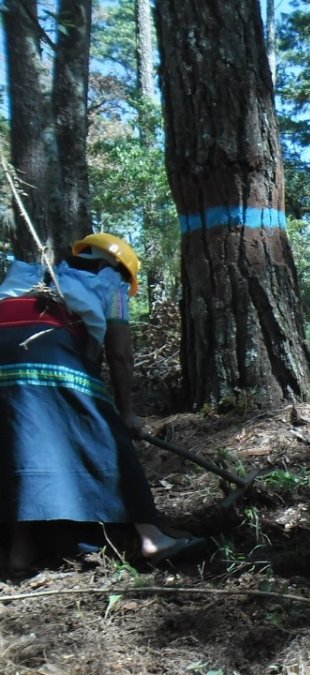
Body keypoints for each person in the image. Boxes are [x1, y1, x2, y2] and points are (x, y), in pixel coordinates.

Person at [1, 233, 205, 574]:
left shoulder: (29, 275)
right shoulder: (112, 287)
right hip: (49, 357)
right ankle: (152, 536)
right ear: (117, 267)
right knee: (110, 439)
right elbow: (120, 355)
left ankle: (20, 549)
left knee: (11, 446)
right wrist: (124, 412)